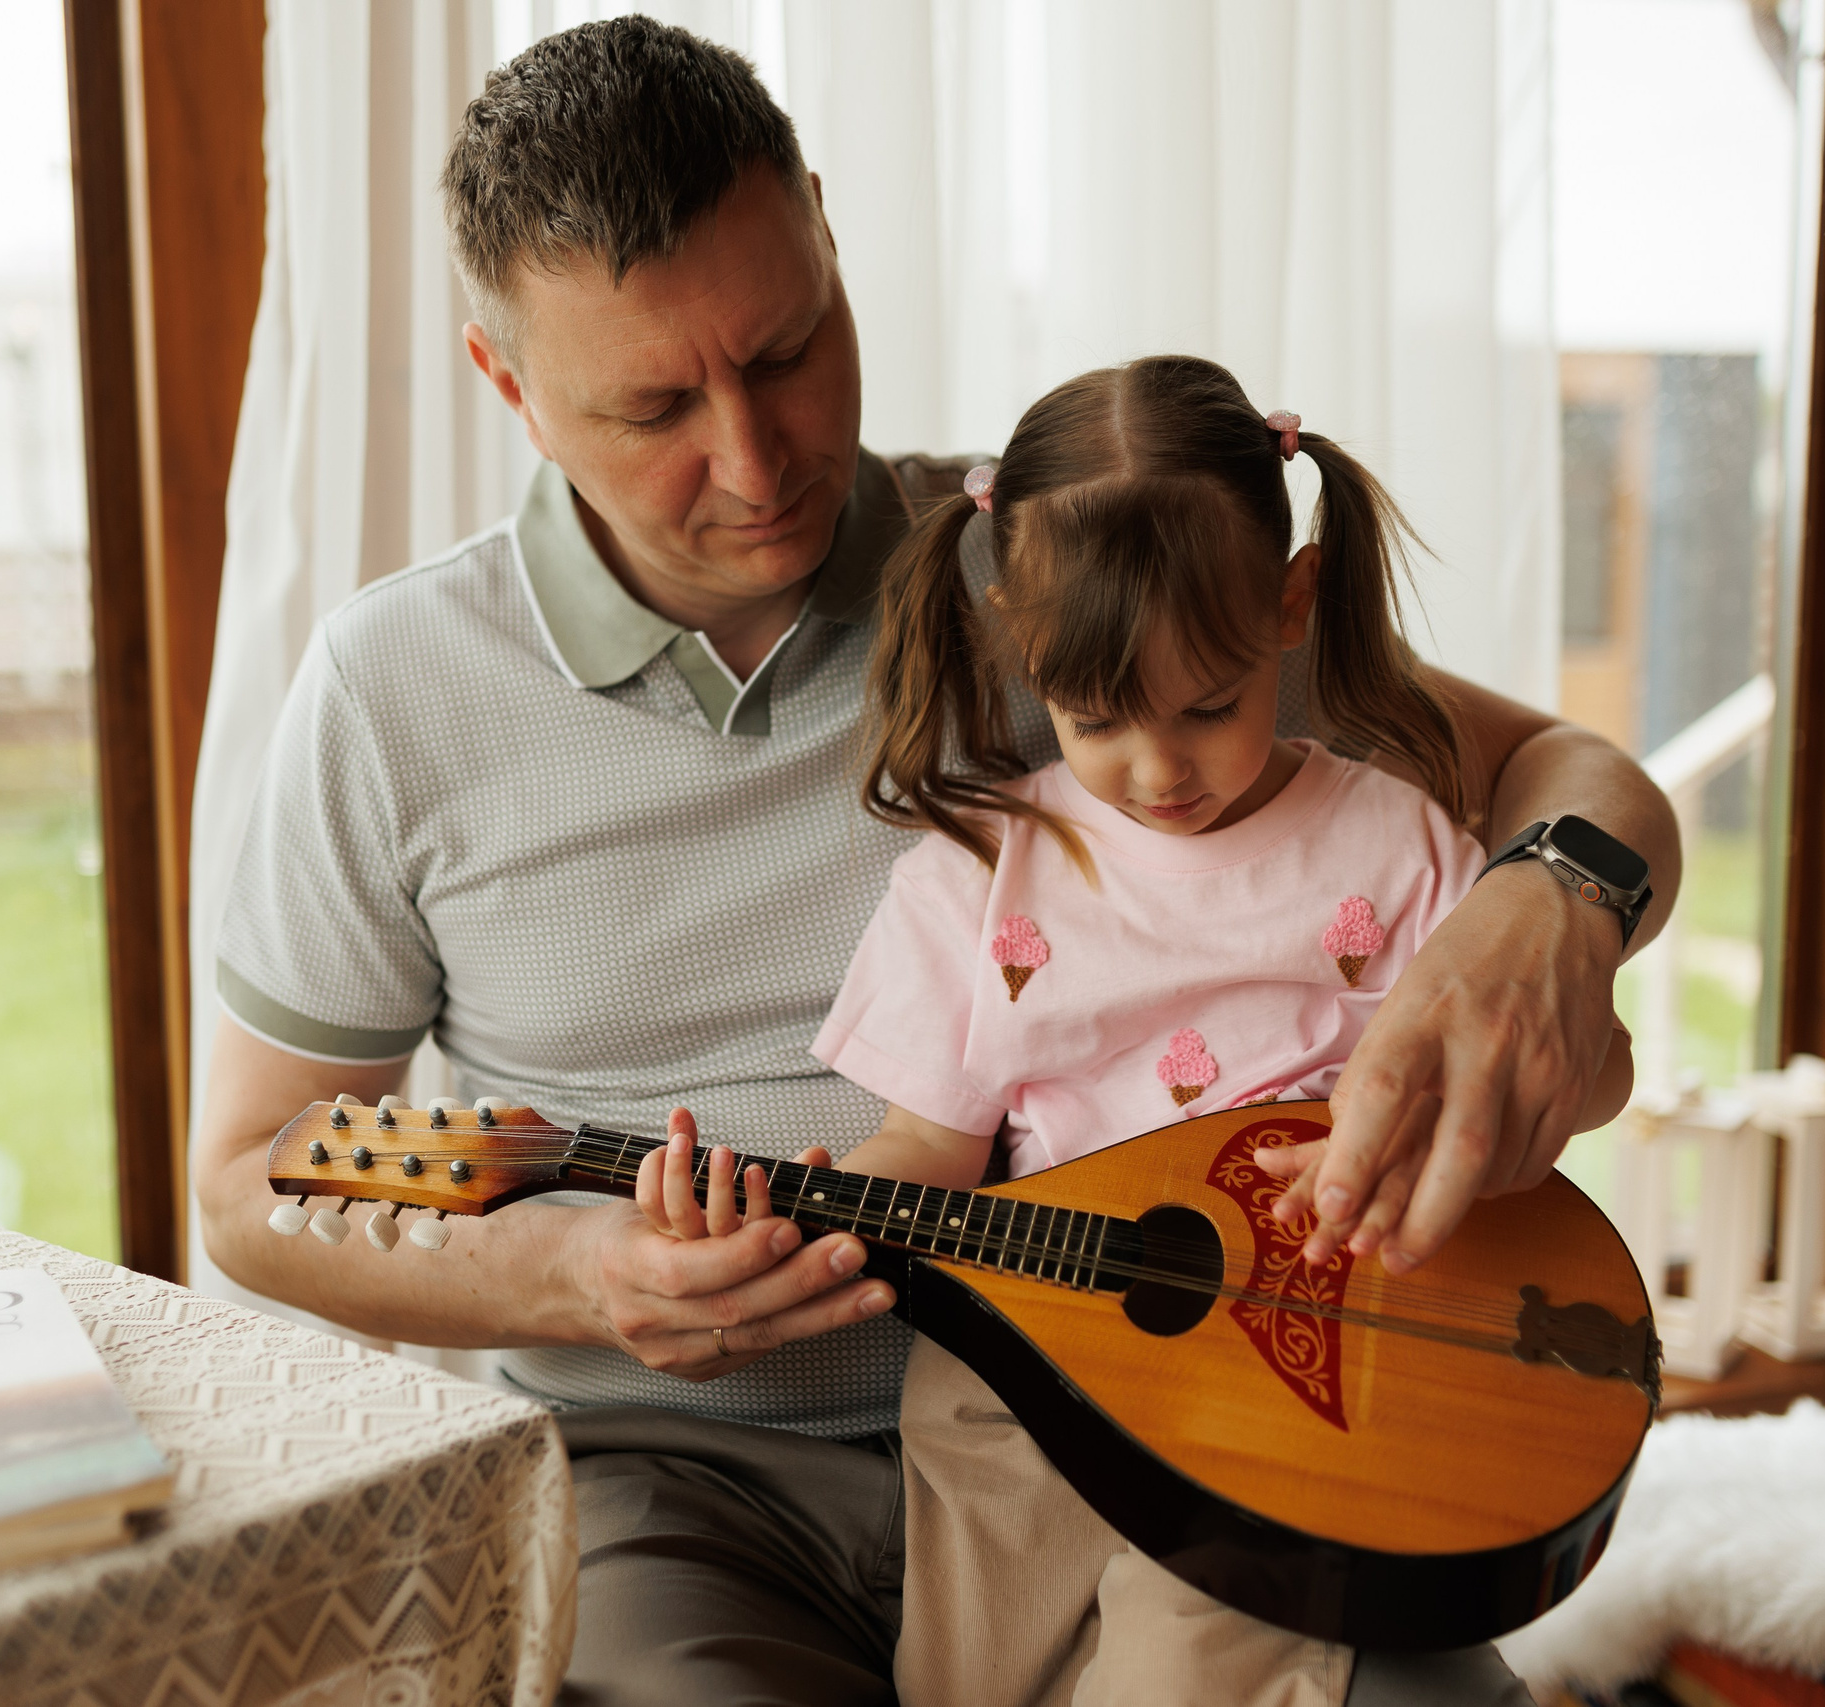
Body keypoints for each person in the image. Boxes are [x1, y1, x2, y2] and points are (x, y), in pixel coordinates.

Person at [191, 18, 1674, 1706]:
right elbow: (253, 1180)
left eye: (791, 348)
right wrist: (572, 1275)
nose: (755, 463)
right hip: (672, 1474)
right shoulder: (393, 692)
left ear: (826, 229)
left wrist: (1547, 905)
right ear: (509, 384)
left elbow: (1574, 773)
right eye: (658, 405)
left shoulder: (1050, 564)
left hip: (1200, 1415)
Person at [637, 355, 1631, 1705]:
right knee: (966, 1683)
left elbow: (1566, 1070)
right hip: (1014, 1385)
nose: (1157, 771)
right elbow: (926, 1145)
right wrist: (759, 1222)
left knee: (1190, 1656)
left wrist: (1568, 1041)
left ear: (1291, 603)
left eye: (1207, 707)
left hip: (1295, 1391)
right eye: (1096, 718)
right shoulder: (981, 874)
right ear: (1018, 640)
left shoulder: (1394, 844)